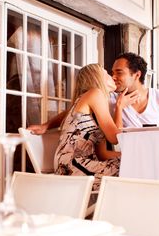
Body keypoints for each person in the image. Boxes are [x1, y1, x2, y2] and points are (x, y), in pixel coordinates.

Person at [27, 52, 159, 134]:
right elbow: (74, 111)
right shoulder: (109, 98)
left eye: (119, 72)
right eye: (111, 73)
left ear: (136, 75)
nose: (113, 77)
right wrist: (46, 125)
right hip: (131, 154)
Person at [54, 63, 133, 191]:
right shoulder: (95, 94)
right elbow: (115, 138)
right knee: (134, 169)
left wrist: (129, 155)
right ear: (96, 77)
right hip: (72, 166)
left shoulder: (91, 103)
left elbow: (102, 154)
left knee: (134, 164)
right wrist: (119, 107)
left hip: (76, 164)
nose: (112, 76)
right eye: (107, 73)